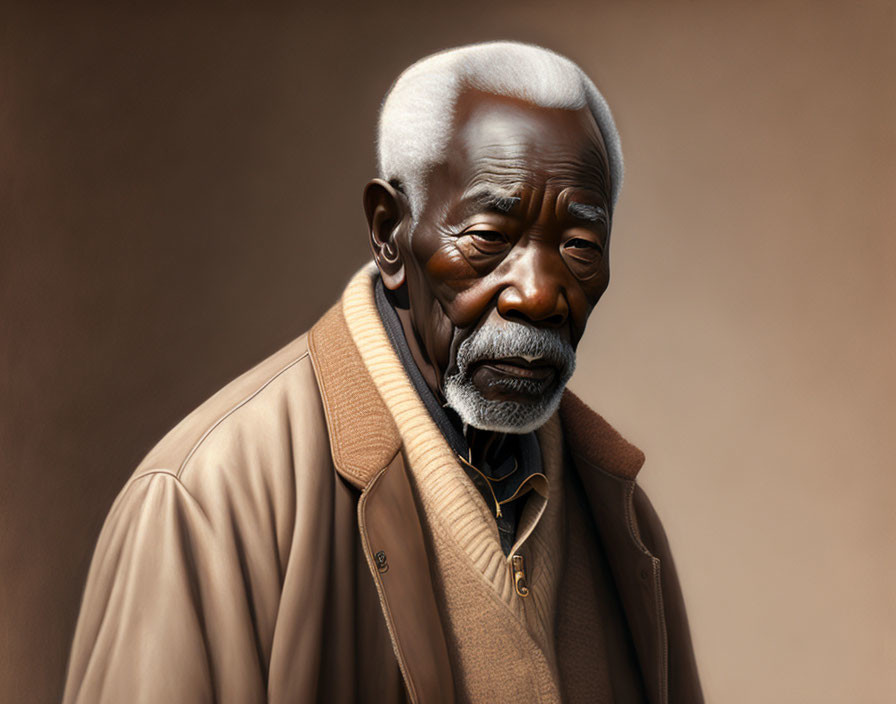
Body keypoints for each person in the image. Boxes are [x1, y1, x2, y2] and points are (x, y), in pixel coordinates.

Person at [63, 41, 703, 703]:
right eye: (489, 236)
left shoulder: (618, 516)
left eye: (578, 246)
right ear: (390, 232)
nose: (539, 293)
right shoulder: (208, 503)